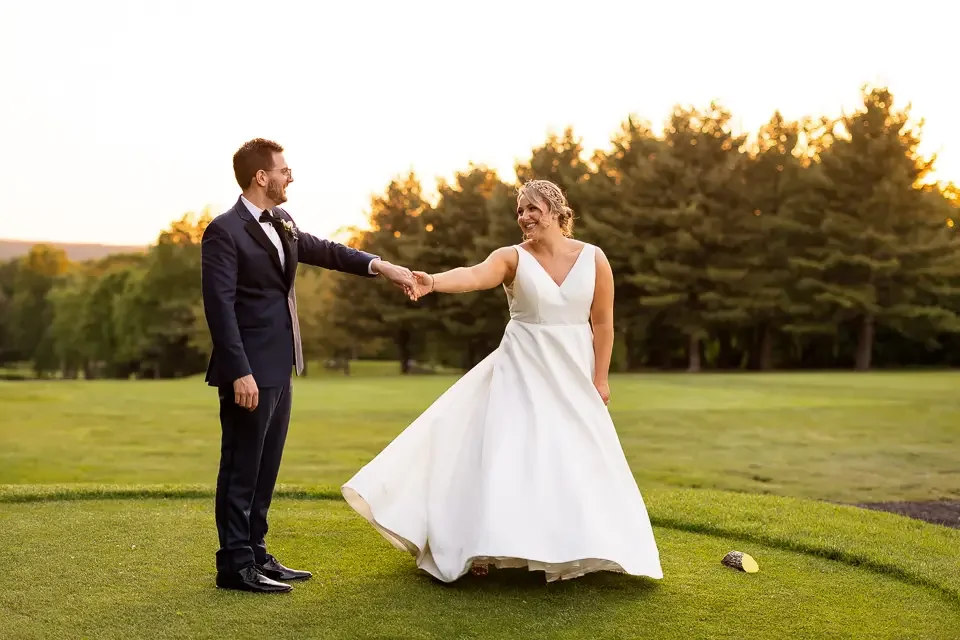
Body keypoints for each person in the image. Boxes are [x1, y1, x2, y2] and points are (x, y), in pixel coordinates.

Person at [341, 179, 663, 583]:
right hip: (522, 369)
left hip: (573, 372)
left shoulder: (594, 258)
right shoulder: (512, 257)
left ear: (556, 210)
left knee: (575, 453)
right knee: (511, 451)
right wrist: (433, 281)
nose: (525, 217)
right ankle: (484, 544)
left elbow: (603, 322)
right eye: (520, 211)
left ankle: (579, 545)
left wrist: (601, 377)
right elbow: (475, 275)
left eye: (532, 208)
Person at [201, 138, 416, 593]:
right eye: (283, 169)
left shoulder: (283, 220)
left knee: (265, 468)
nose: (290, 176)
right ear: (262, 176)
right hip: (248, 371)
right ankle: (234, 565)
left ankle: (257, 554)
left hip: (282, 364)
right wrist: (239, 370)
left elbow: (328, 250)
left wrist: (383, 266)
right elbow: (218, 306)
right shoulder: (224, 230)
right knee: (241, 466)